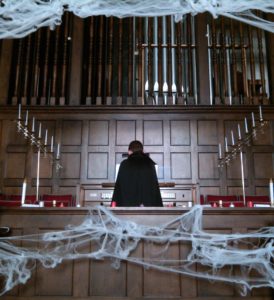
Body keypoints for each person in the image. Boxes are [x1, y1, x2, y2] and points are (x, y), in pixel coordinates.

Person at [112, 140, 163, 207]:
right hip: (147, 210)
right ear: (142, 151)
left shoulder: (124, 164)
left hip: (127, 210)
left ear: (129, 151)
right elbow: (154, 189)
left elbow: (118, 189)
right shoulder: (149, 164)